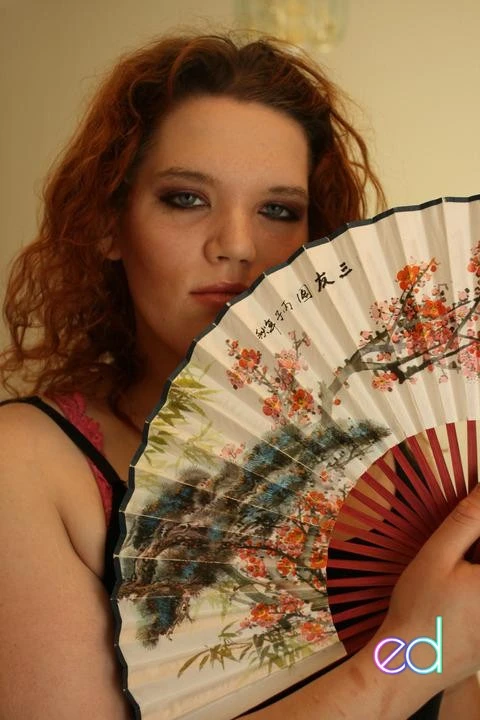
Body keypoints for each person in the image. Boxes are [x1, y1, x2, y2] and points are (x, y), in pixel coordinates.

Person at [0, 30, 479, 720]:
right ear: (109, 224)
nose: (238, 244)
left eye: (278, 210)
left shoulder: (400, 463)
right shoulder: (28, 465)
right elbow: (423, 660)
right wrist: (411, 654)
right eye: (186, 198)